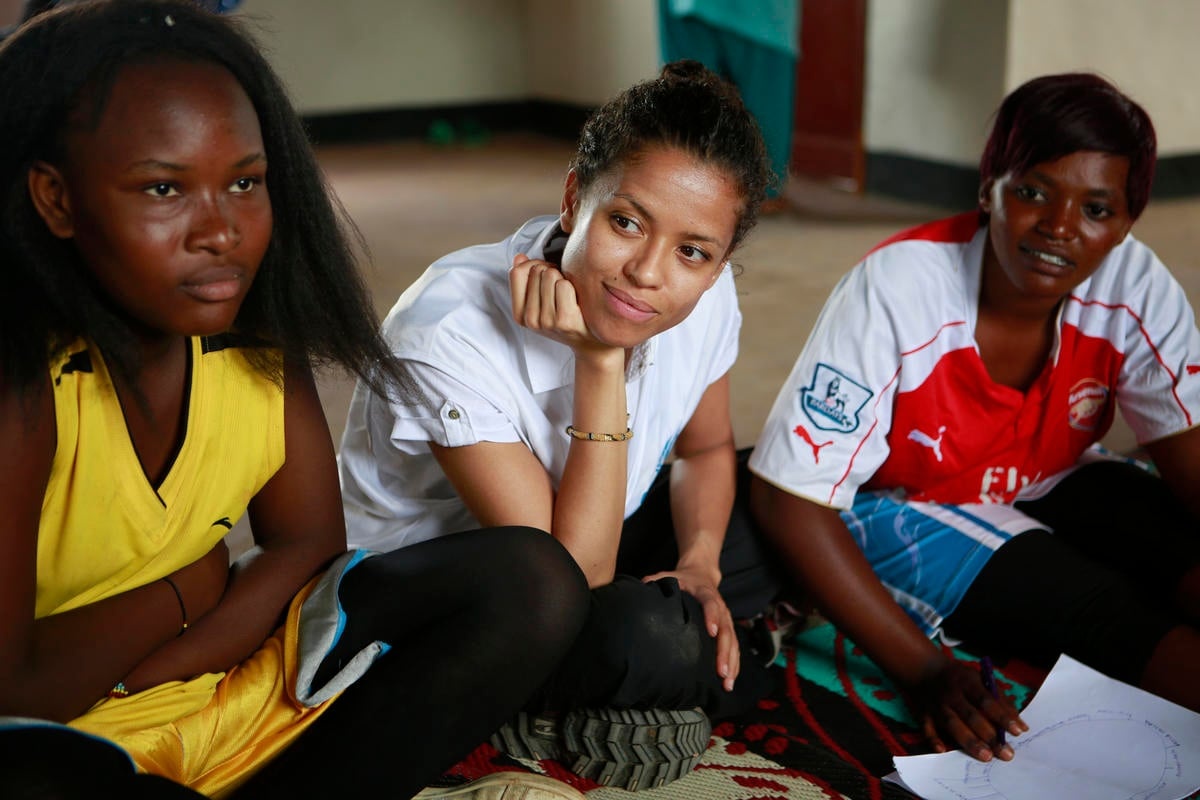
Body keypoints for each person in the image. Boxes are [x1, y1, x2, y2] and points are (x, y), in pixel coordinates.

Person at [0, 2, 591, 798]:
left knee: (531, 579)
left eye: (245, 181)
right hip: (67, 743)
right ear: (56, 200)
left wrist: (185, 647)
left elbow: (309, 547)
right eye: (164, 188)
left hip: (228, 694)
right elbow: (13, 688)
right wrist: (187, 590)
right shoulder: (24, 390)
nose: (220, 231)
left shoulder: (254, 343)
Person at [338, 60, 781, 790]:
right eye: (626, 222)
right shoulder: (447, 328)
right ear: (575, 200)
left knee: (770, 503)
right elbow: (572, 578)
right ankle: (558, 696)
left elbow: (705, 450)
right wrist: (599, 362)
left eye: (692, 252)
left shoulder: (707, 298)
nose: (648, 272)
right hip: (454, 600)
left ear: (719, 263)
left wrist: (700, 563)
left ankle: (639, 675)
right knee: (653, 637)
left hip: (590, 534)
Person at [749, 71, 1200, 765]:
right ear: (988, 188)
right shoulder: (900, 287)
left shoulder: (1134, 283)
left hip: (1051, 469)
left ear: (1125, 224)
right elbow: (788, 499)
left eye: (1096, 209)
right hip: (904, 501)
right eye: (1033, 192)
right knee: (1104, 612)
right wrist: (926, 670)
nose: (1059, 227)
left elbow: (1189, 458)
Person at [658, 0, 799, 210]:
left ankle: (682, 181)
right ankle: (764, 192)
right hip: (762, 15)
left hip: (688, 7)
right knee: (764, 94)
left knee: (688, 94)